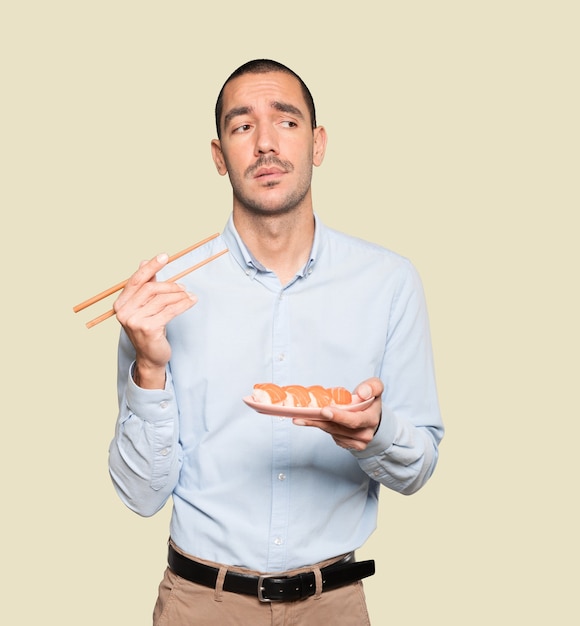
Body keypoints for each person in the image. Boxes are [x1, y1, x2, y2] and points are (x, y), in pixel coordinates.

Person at [108, 59, 444, 626]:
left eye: (285, 122)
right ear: (219, 156)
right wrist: (148, 366)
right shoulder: (162, 299)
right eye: (242, 127)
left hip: (333, 604)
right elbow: (140, 496)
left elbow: (418, 469)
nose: (265, 143)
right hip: (199, 604)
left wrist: (373, 433)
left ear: (318, 143)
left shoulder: (389, 282)